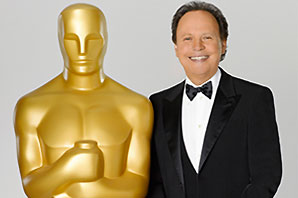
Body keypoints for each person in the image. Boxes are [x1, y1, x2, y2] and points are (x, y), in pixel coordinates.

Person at [14, 4, 153, 198]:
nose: (82, 51)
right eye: (71, 39)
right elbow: (31, 187)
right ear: (60, 40)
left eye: (93, 39)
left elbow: (138, 185)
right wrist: (67, 169)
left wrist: (88, 186)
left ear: (105, 40)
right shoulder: (32, 107)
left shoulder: (135, 106)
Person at [147, 1, 282, 198]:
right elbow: (156, 181)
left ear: (223, 43)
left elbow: (266, 177)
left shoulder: (255, 99)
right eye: (187, 38)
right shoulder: (157, 104)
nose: (197, 47)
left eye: (207, 37)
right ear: (176, 47)